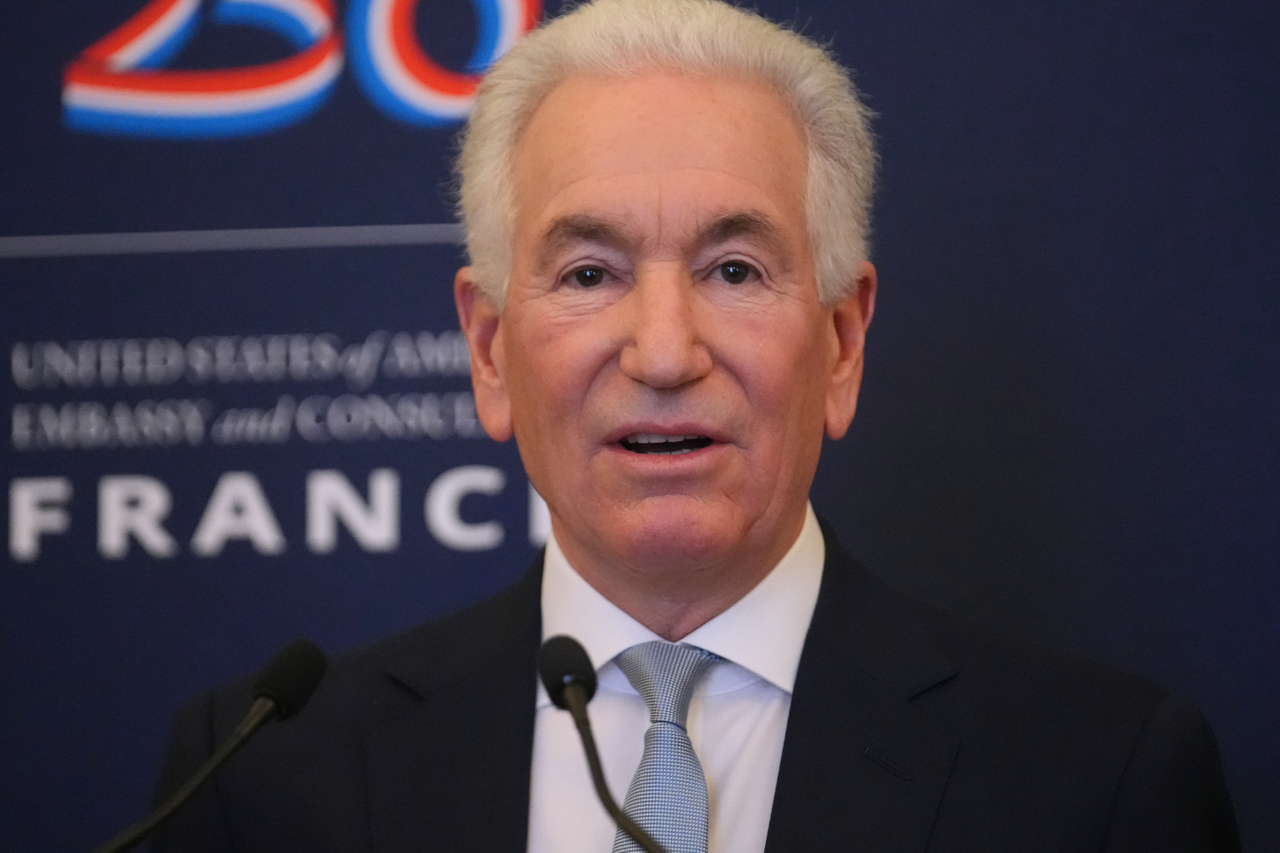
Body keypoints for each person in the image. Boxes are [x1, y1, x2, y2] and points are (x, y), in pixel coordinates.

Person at [151, 1, 1240, 851]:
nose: (665, 353)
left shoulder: (1097, 779)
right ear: (488, 350)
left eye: (734, 270)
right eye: (589, 273)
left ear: (842, 343)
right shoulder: (262, 776)